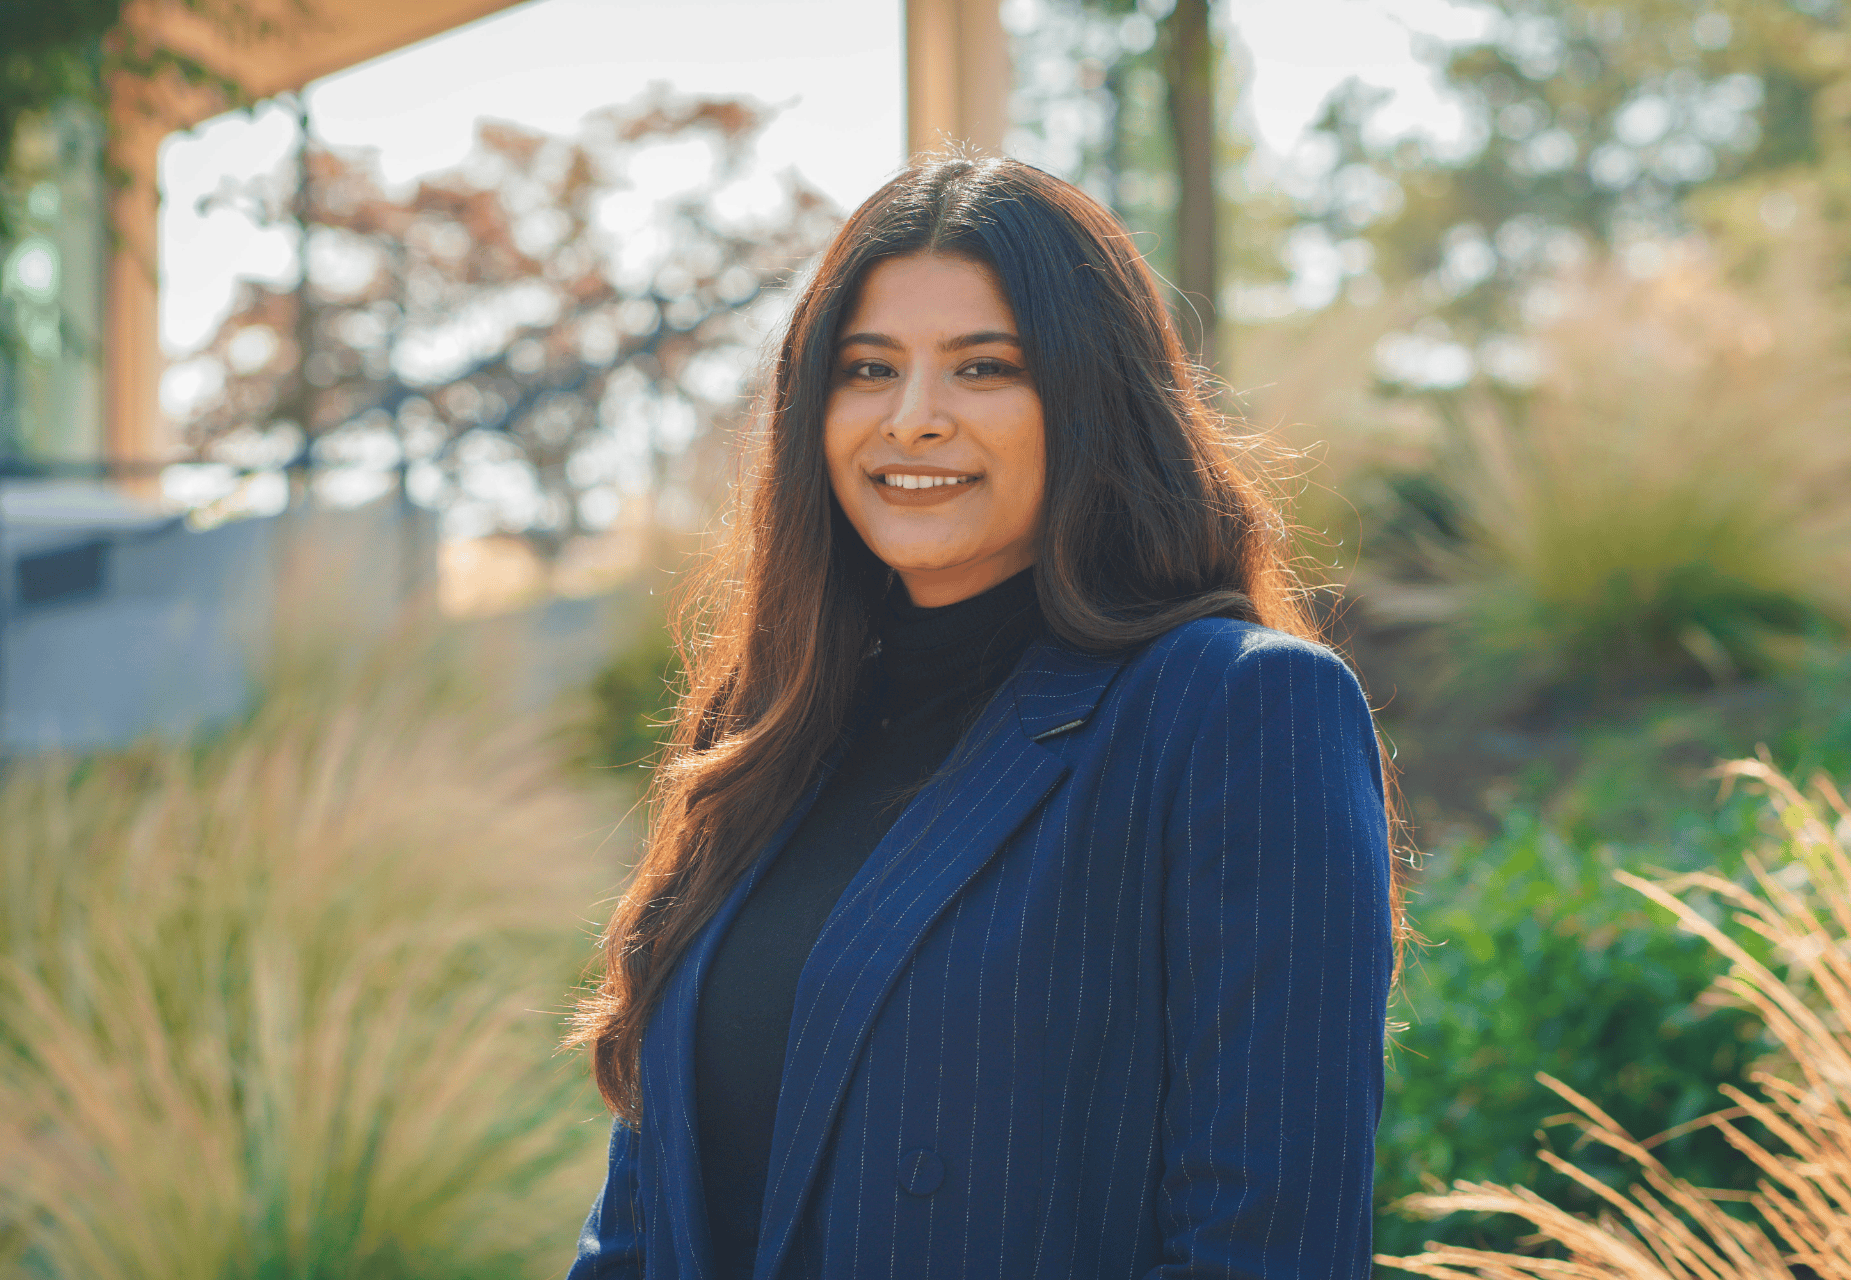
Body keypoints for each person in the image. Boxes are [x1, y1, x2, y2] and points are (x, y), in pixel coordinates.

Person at [566, 154, 1399, 1280]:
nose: (913, 420)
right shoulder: (769, 735)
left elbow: (1266, 1247)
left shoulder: (1236, 708)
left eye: (984, 368)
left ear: (1092, 398)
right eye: (869, 369)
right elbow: (643, 1223)